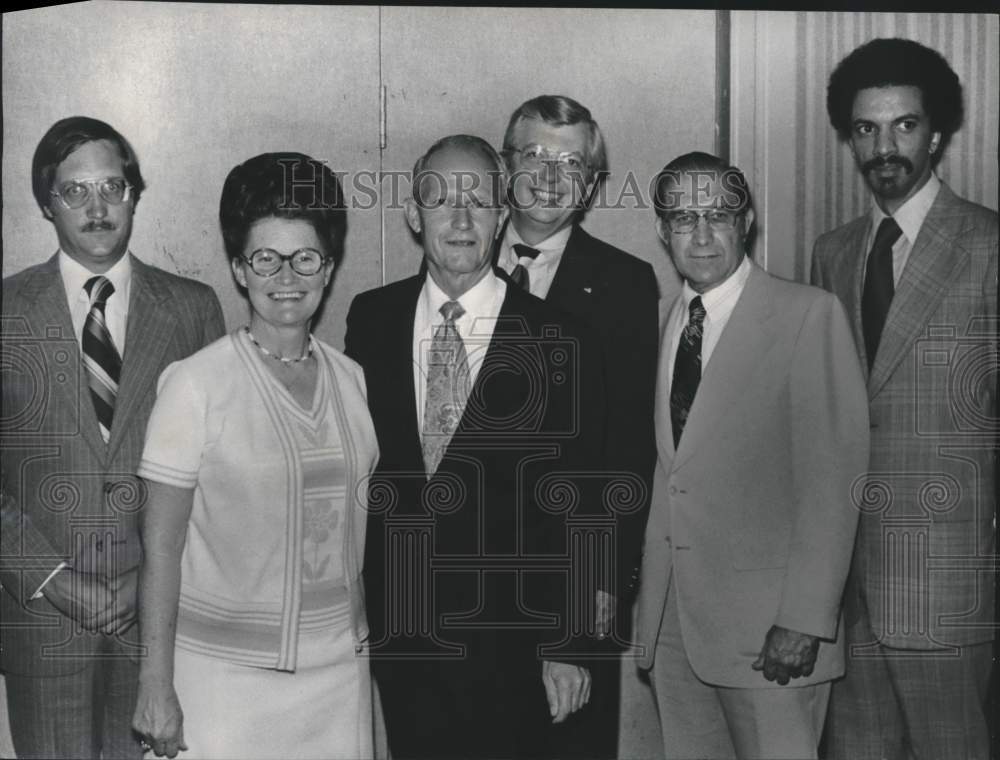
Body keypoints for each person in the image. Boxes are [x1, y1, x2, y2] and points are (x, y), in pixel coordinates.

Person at [345, 134, 604, 759]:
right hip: (399, 637)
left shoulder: (555, 336)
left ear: (501, 216)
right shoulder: (370, 319)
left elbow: (581, 500)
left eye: (479, 200)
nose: (460, 219)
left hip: (513, 645)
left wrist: (569, 643)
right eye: (440, 199)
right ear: (413, 215)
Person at [130, 153, 381, 759]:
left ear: (328, 266)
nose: (286, 276)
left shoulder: (352, 380)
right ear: (240, 269)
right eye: (265, 258)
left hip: (338, 677)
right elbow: (160, 550)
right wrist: (154, 684)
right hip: (223, 683)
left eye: (306, 257)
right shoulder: (195, 384)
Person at [0, 116, 224, 759]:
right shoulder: (6, 312)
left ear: (134, 193)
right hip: (42, 621)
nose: (97, 208)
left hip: (155, 623)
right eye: (75, 191)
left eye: (113, 187)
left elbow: (215, 469)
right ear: (46, 201)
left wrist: (147, 579)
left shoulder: (191, 308)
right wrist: (47, 576)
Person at [633, 152, 869, 759]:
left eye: (720, 214)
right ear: (663, 232)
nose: (703, 234)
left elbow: (833, 481)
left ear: (749, 220)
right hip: (677, 628)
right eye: (684, 218)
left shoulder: (807, 314)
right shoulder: (669, 322)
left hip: (773, 636)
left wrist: (806, 618)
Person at [812, 38, 998, 760]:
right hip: (846, 587)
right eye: (866, 128)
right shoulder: (833, 251)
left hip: (948, 583)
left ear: (939, 132)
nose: (884, 145)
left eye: (904, 125)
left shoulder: (987, 244)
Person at [498, 95, 659, 757]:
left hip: (573, 584)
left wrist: (595, 591)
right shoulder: (457, 263)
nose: (548, 173)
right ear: (504, 167)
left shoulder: (625, 283)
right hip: (463, 586)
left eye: (571, 161)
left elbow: (625, 452)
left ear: (592, 183)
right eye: (532, 153)